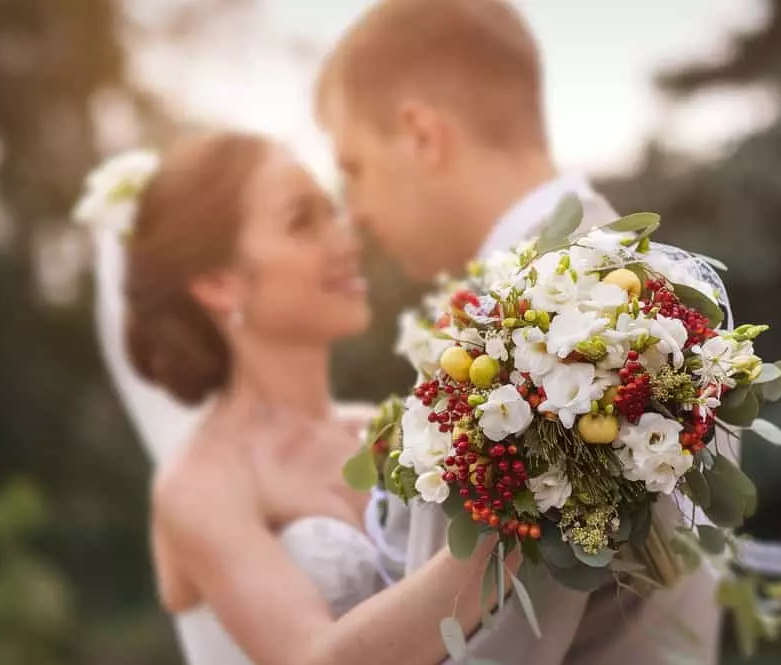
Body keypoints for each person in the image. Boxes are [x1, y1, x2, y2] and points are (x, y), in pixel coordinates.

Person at [316, 0, 730, 663]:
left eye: (355, 167)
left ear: (421, 135)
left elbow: (471, 646)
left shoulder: (525, 337)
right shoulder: (661, 299)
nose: (356, 210)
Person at [84, 131, 515, 665]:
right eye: (301, 221)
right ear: (219, 283)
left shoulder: (389, 427)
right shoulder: (198, 485)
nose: (346, 241)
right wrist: (517, 526)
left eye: (332, 212)